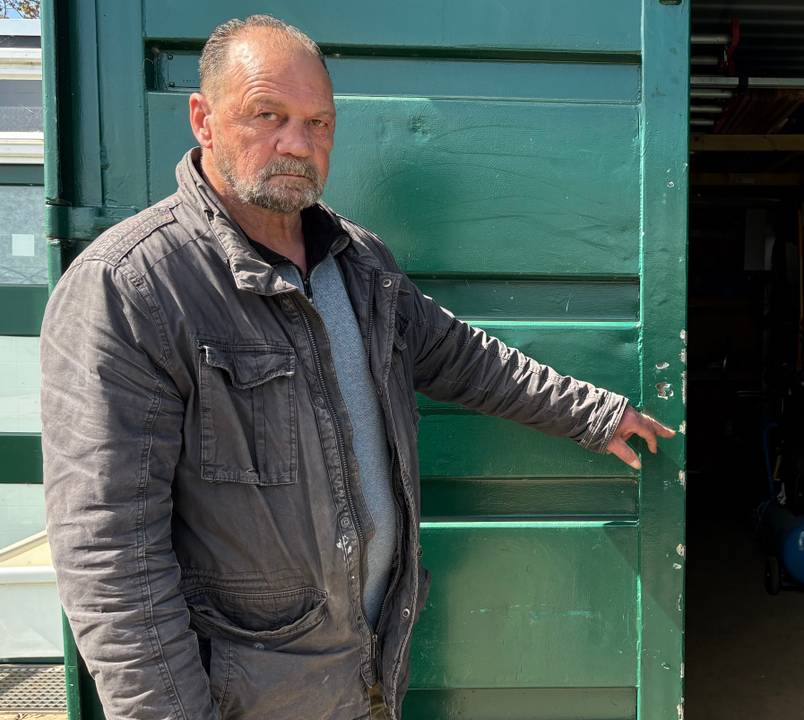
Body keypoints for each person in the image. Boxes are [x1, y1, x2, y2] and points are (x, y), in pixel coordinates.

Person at [39, 15, 674, 720]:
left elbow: (463, 356)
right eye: (268, 115)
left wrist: (594, 414)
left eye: (319, 123)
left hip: (370, 668)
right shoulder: (134, 287)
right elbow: (111, 558)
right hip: (248, 697)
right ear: (204, 118)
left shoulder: (359, 263)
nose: (297, 144)